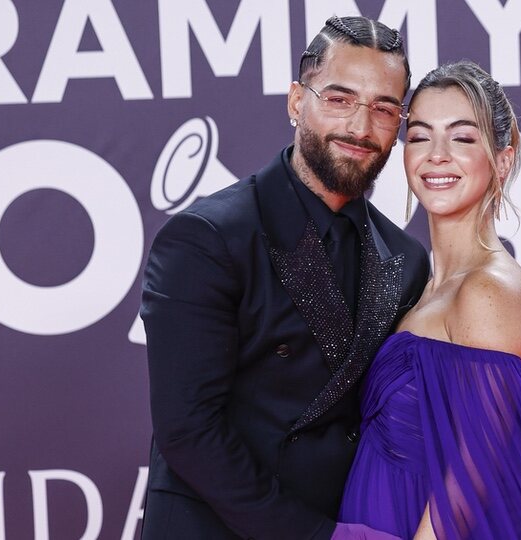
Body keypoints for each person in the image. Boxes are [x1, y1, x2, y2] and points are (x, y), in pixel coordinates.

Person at [140, 16, 430, 540]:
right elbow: (188, 431)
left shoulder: (408, 259)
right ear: (297, 101)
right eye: (339, 99)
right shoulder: (206, 239)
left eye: (384, 109)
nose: (361, 129)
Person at [337, 61, 521, 539]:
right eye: (422, 135)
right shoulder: (420, 283)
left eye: (462, 138)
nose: (437, 155)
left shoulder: (490, 291)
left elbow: (470, 483)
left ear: (504, 159)